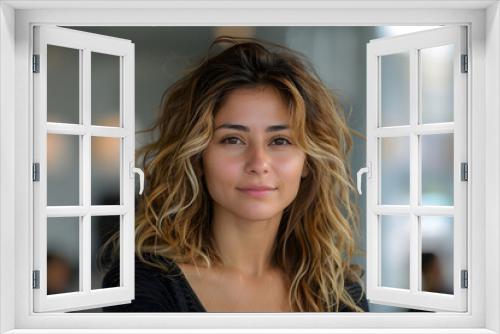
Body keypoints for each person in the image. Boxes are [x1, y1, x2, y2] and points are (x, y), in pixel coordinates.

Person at [101, 36, 369, 312]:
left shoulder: (340, 294)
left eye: (280, 141)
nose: (258, 162)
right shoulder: (143, 287)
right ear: (198, 157)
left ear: (308, 162)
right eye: (233, 139)